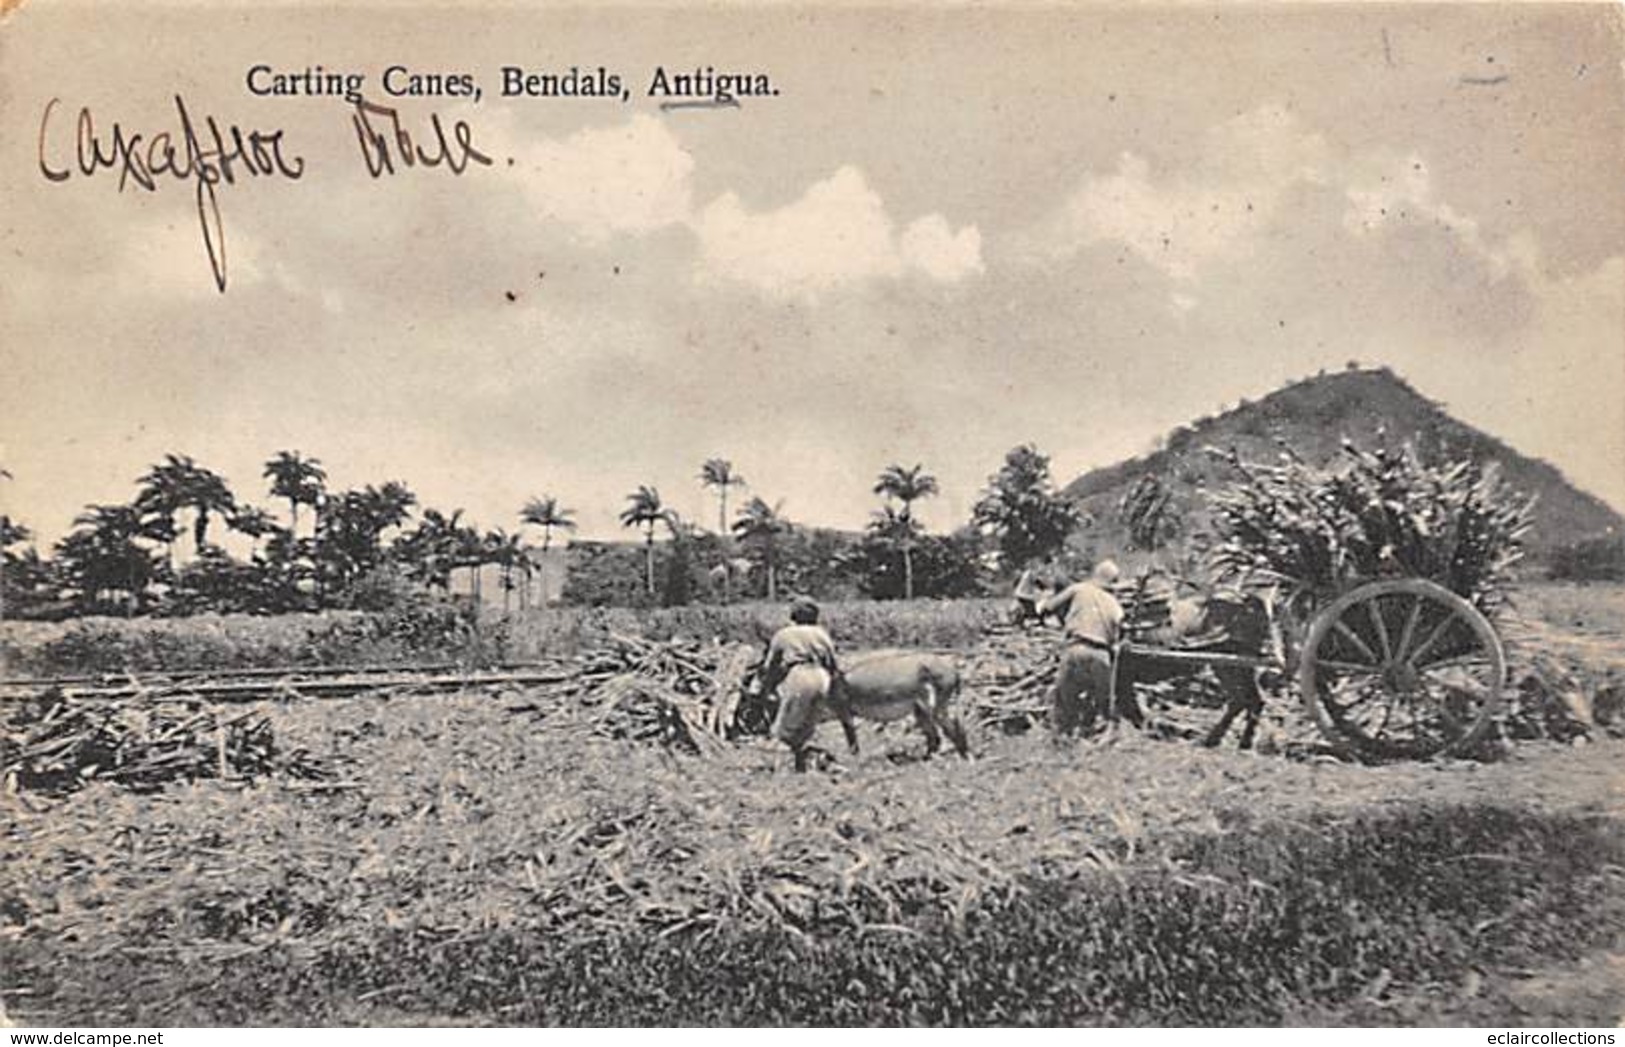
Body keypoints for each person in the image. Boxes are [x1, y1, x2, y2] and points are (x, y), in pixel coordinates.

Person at [1040, 559, 1128, 737]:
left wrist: (1042, 606)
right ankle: (1103, 739)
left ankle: (1064, 738)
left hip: (1076, 649)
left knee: (1064, 699)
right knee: (1104, 704)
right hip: (1101, 655)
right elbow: (1122, 631)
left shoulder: (1080, 588)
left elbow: (1049, 607)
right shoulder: (1115, 604)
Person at [759, 598, 841, 769]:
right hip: (821, 676)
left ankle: (780, 767)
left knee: (784, 727)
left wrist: (767, 688)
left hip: (799, 675)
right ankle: (802, 766)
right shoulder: (821, 633)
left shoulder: (784, 634)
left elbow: (770, 666)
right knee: (807, 725)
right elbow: (832, 664)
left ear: (793, 615)